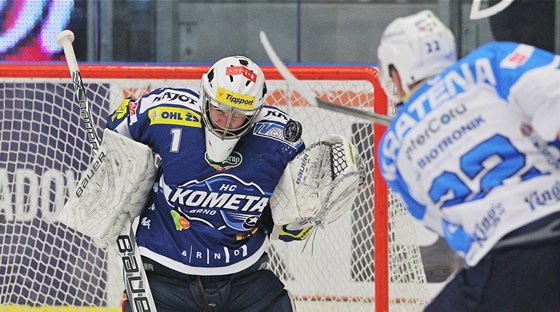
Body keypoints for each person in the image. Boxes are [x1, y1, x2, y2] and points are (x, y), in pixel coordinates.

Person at [100, 56, 361, 312]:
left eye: (238, 117)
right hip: (165, 276)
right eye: (220, 110)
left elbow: (285, 228)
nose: (226, 123)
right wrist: (115, 165)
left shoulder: (281, 140)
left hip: (243, 280)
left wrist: (300, 220)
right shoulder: (166, 111)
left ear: (256, 113)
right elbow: (116, 128)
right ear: (205, 97)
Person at [376, 10, 560, 312]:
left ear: (395, 73)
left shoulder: (392, 150)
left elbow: (443, 223)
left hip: (500, 264)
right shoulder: (488, 62)